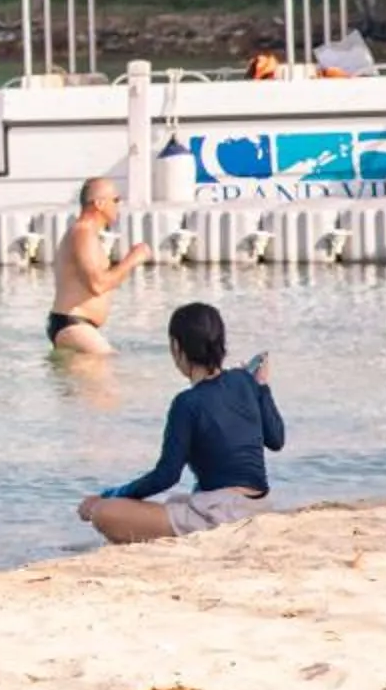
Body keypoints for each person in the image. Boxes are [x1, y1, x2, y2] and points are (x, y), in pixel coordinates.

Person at [77, 302, 284, 543]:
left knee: (104, 514)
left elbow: (166, 476)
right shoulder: (244, 380)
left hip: (222, 515)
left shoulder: (187, 403)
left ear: (177, 347)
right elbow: (276, 440)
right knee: (179, 502)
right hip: (259, 507)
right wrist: (262, 388)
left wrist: (108, 496)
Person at [46, 175, 151, 354]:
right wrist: (132, 259)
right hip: (74, 325)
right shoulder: (83, 233)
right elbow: (97, 284)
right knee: (112, 366)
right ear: (99, 203)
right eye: (116, 200)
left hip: (76, 325)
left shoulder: (87, 233)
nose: (119, 205)